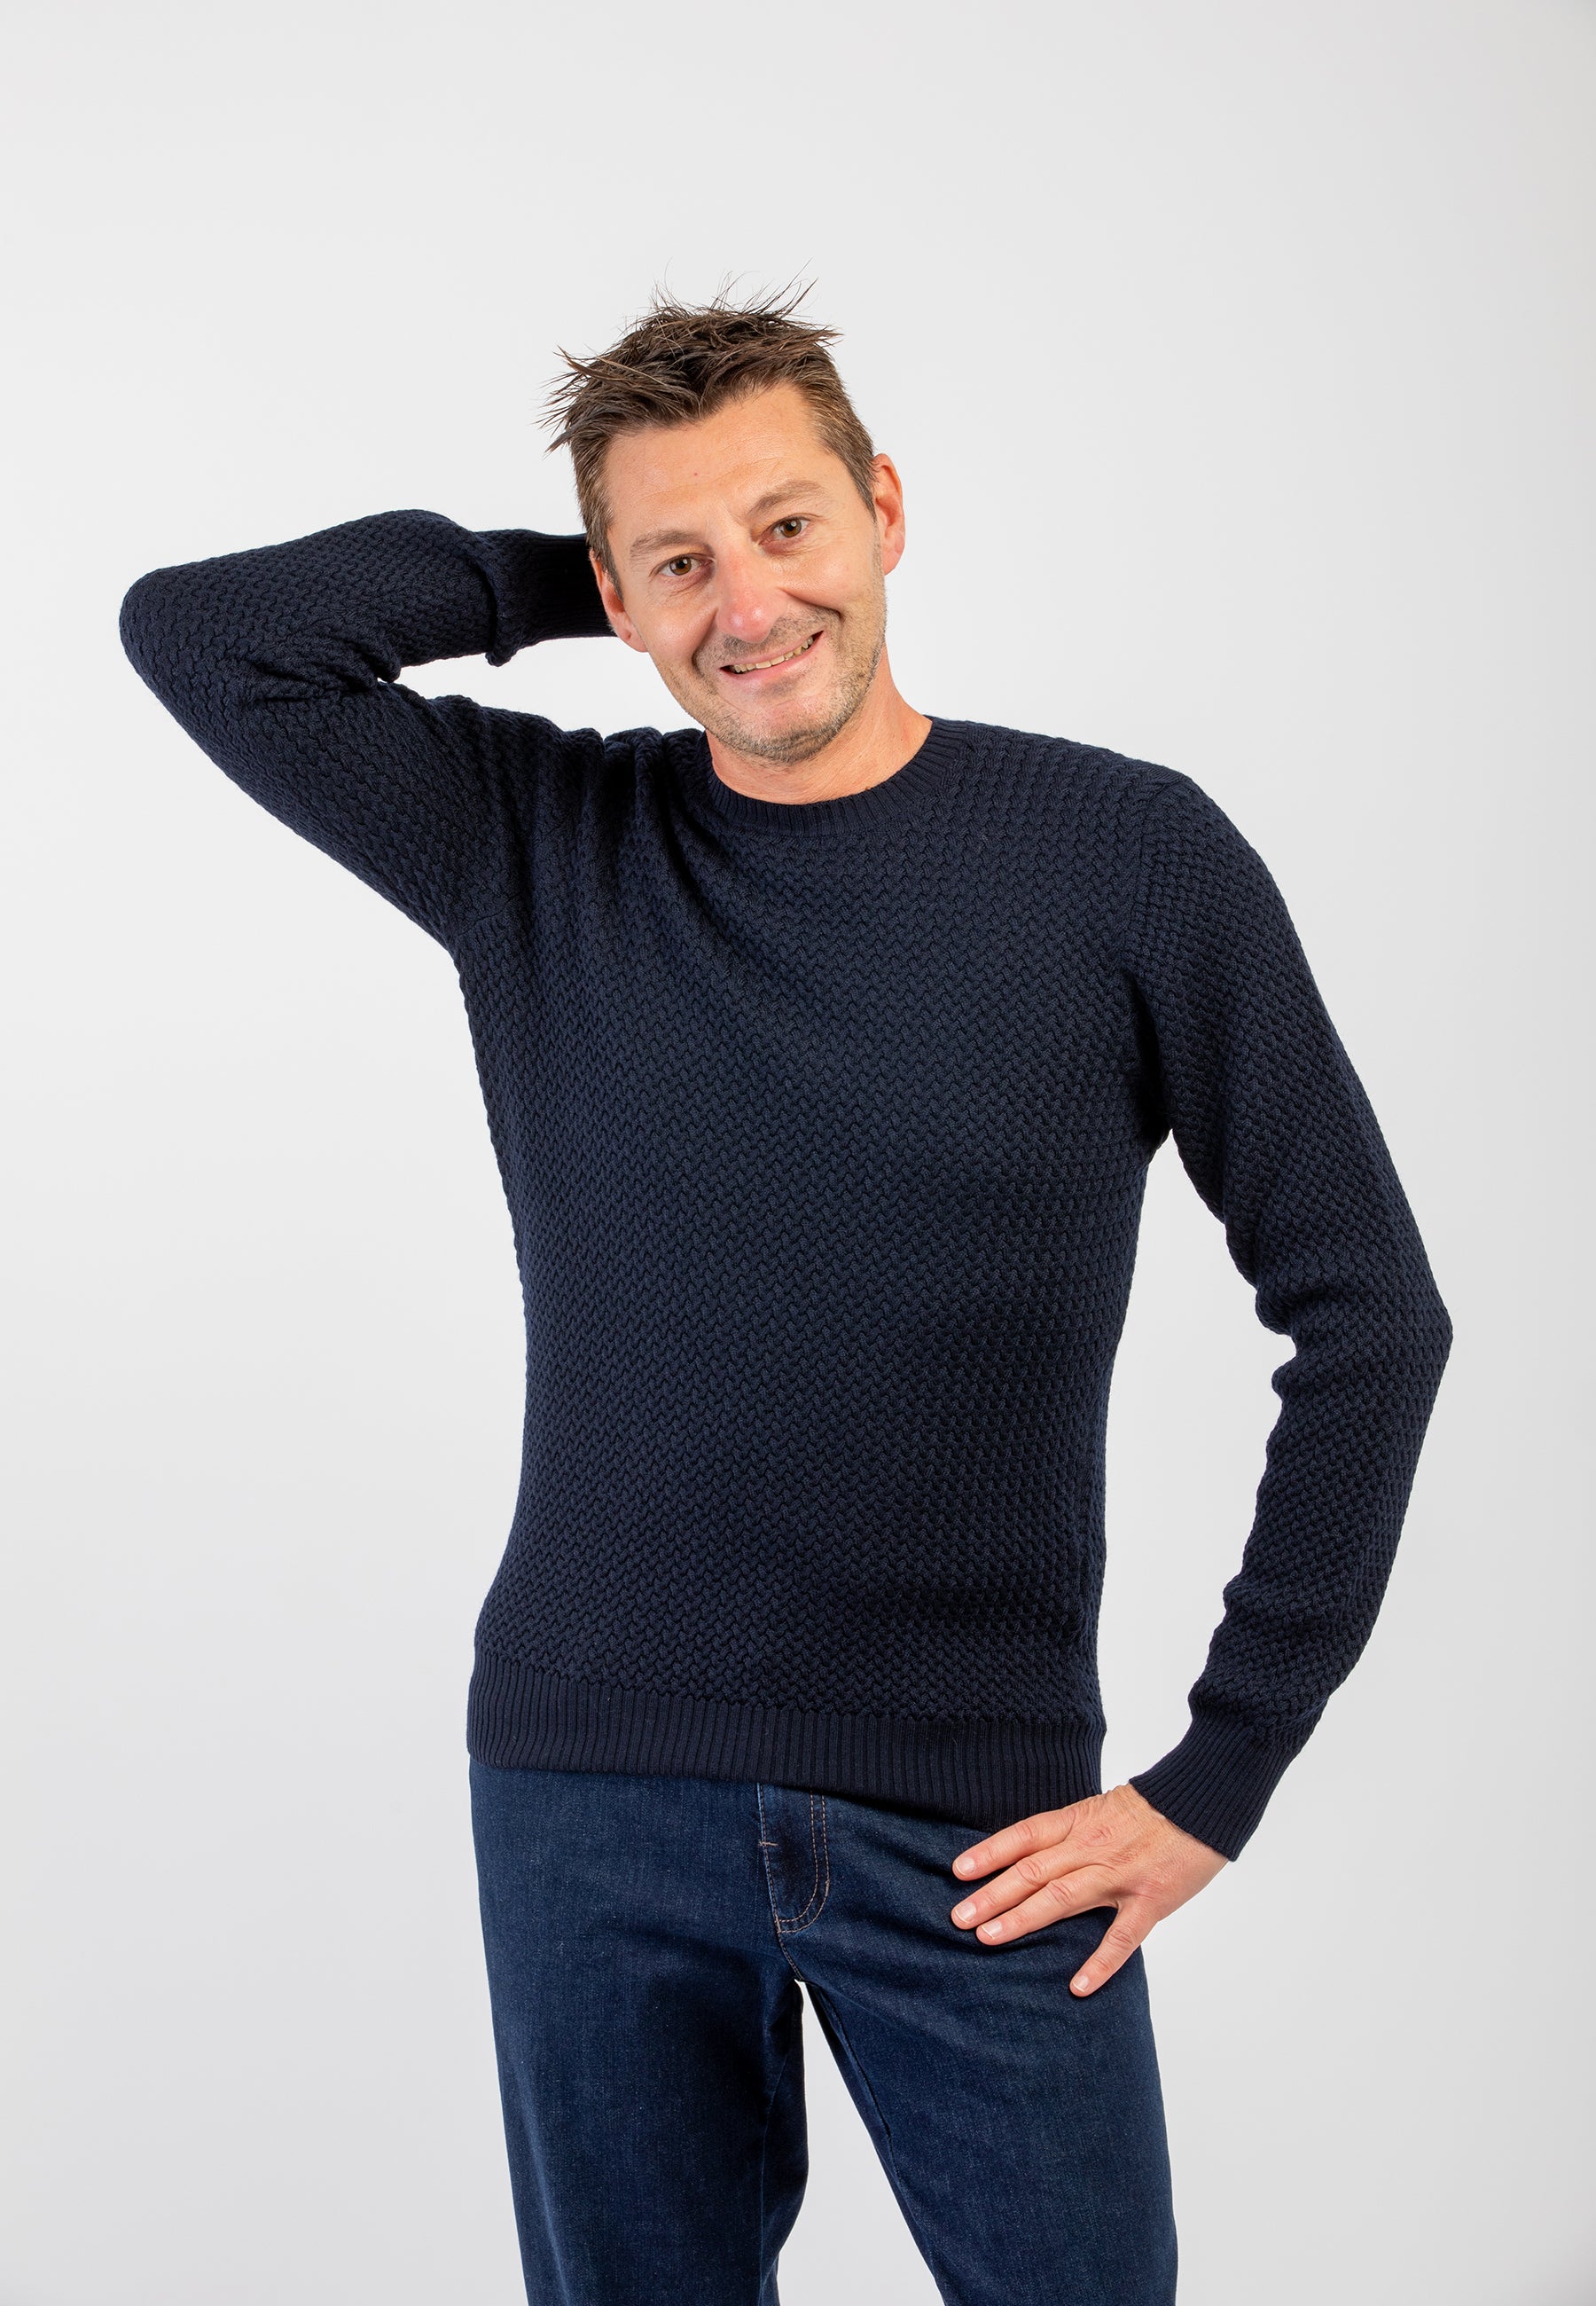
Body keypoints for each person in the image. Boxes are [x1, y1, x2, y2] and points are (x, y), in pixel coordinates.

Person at [119, 286, 1451, 2306]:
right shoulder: (535, 841)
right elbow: (201, 633)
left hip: (985, 1827)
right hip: (593, 1797)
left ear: (885, 511)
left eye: (789, 527)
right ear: (616, 597)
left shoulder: (1126, 858)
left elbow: (1368, 1312)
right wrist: (581, 581)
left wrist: (1221, 1776)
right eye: (679, 564)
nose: (749, 604)